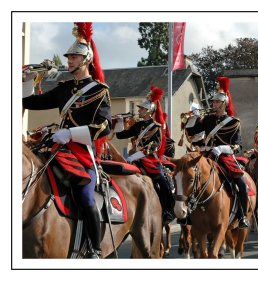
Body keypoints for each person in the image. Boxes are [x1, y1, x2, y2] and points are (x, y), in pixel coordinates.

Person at [22, 22, 110, 258]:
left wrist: (71, 133)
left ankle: (94, 248)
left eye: (74, 57)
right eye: (69, 57)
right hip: (56, 147)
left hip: (81, 152)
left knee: (85, 196)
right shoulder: (64, 89)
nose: (69, 61)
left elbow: (104, 127)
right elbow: (30, 103)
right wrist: (28, 81)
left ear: (86, 59)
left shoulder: (98, 91)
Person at [183, 76, 249, 229]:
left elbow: (237, 146)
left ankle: (242, 215)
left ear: (224, 104)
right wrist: (192, 119)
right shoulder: (207, 119)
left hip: (224, 156)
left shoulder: (234, 122)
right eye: (213, 101)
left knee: (241, 184)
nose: (213, 104)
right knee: (188, 177)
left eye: (216, 102)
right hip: (206, 155)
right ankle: (187, 213)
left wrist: (221, 148)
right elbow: (192, 132)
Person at [115, 86, 175, 224]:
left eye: (141, 109)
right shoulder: (138, 125)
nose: (139, 110)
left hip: (150, 160)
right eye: (140, 108)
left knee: (162, 179)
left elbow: (154, 147)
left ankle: (168, 210)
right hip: (135, 159)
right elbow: (120, 135)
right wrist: (119, 122)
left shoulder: (156, 127)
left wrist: (133, 157)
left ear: (149, 111)